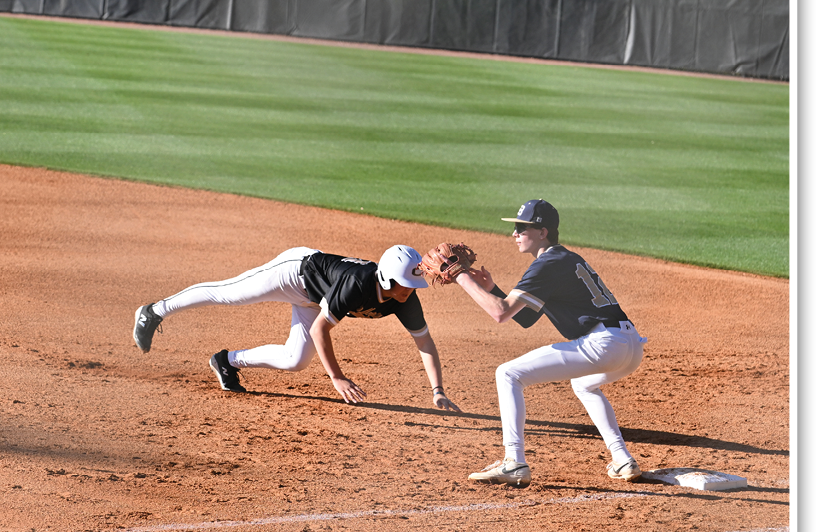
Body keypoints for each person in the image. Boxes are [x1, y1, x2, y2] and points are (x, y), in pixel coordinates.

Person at [454, 199, 647, 488]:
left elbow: (500, 313)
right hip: (629, 344)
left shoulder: (547, 264)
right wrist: (492, 289)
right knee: (584, 384)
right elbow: (526, 319)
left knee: (508, 373)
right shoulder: (563, 258)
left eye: (521, 228)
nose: (514, 234)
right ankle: (622, 459)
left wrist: (461, 277)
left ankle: (514, 462)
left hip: (604, 344)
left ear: (543, 232)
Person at [133, 245, 461, 411]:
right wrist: (337, 377)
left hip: (316, 298)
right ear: (386, 279)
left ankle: (227, 361)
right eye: (403, 284)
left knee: (295, 360)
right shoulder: (355, 285)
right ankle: (154, 311)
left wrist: (438, 391)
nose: (409, 290)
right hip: (294, 275)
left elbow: (425, 343)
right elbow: (321, 330)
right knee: (228, 294)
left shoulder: (407, 299)